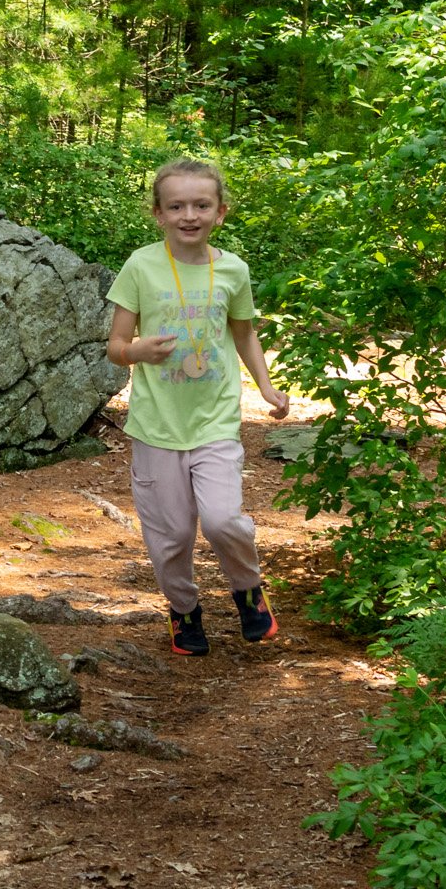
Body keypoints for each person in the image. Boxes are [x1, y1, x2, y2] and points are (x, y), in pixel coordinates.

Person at [106, 159, 291, 656]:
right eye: (177, 206)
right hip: (156, 426)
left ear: (220, 212)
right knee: (169, 538)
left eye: (201, 205)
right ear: (159, 213)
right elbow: (116, 344)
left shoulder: (233, 269)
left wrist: (267, 388)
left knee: (222, 520)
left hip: (214, 422)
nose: (190, 215)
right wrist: (137, 352)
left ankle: (248, 590)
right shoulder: (141, 266)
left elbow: (244, 333)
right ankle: (184, 611)